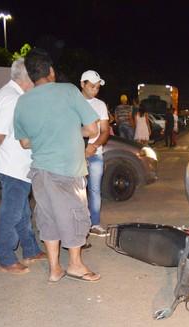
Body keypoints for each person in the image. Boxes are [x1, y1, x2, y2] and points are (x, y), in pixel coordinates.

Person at [13, 48, 100, 283]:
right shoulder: (68, 91)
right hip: (67, 169)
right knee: (74, 215)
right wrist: (73, 129)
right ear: (51, 71)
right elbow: (93, 129)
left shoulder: (21, 102)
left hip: (40, 171)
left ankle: (54, 269)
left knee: (48, 217)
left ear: (31, 76)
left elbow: (23, 142)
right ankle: (75, 265)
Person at [0, 58, 45, 274]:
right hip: (14, 167)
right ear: (27, 78)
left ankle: (30, 249)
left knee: (22, 211)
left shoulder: (1, 95)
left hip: (10, 165)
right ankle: (6, 256)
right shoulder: (13, 100)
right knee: (12, 213)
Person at [80, 70, 110, 238]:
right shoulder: (73, 102)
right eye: (92, 86)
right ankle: (80, 225)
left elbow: (105, 131)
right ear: (82, 84)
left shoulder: (100, 105)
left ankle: (95, 224)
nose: (95, 90)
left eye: (97, 87)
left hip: (96, 153)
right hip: (77, 155)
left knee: (95, 189)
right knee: (78, 191)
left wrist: (94, 145)